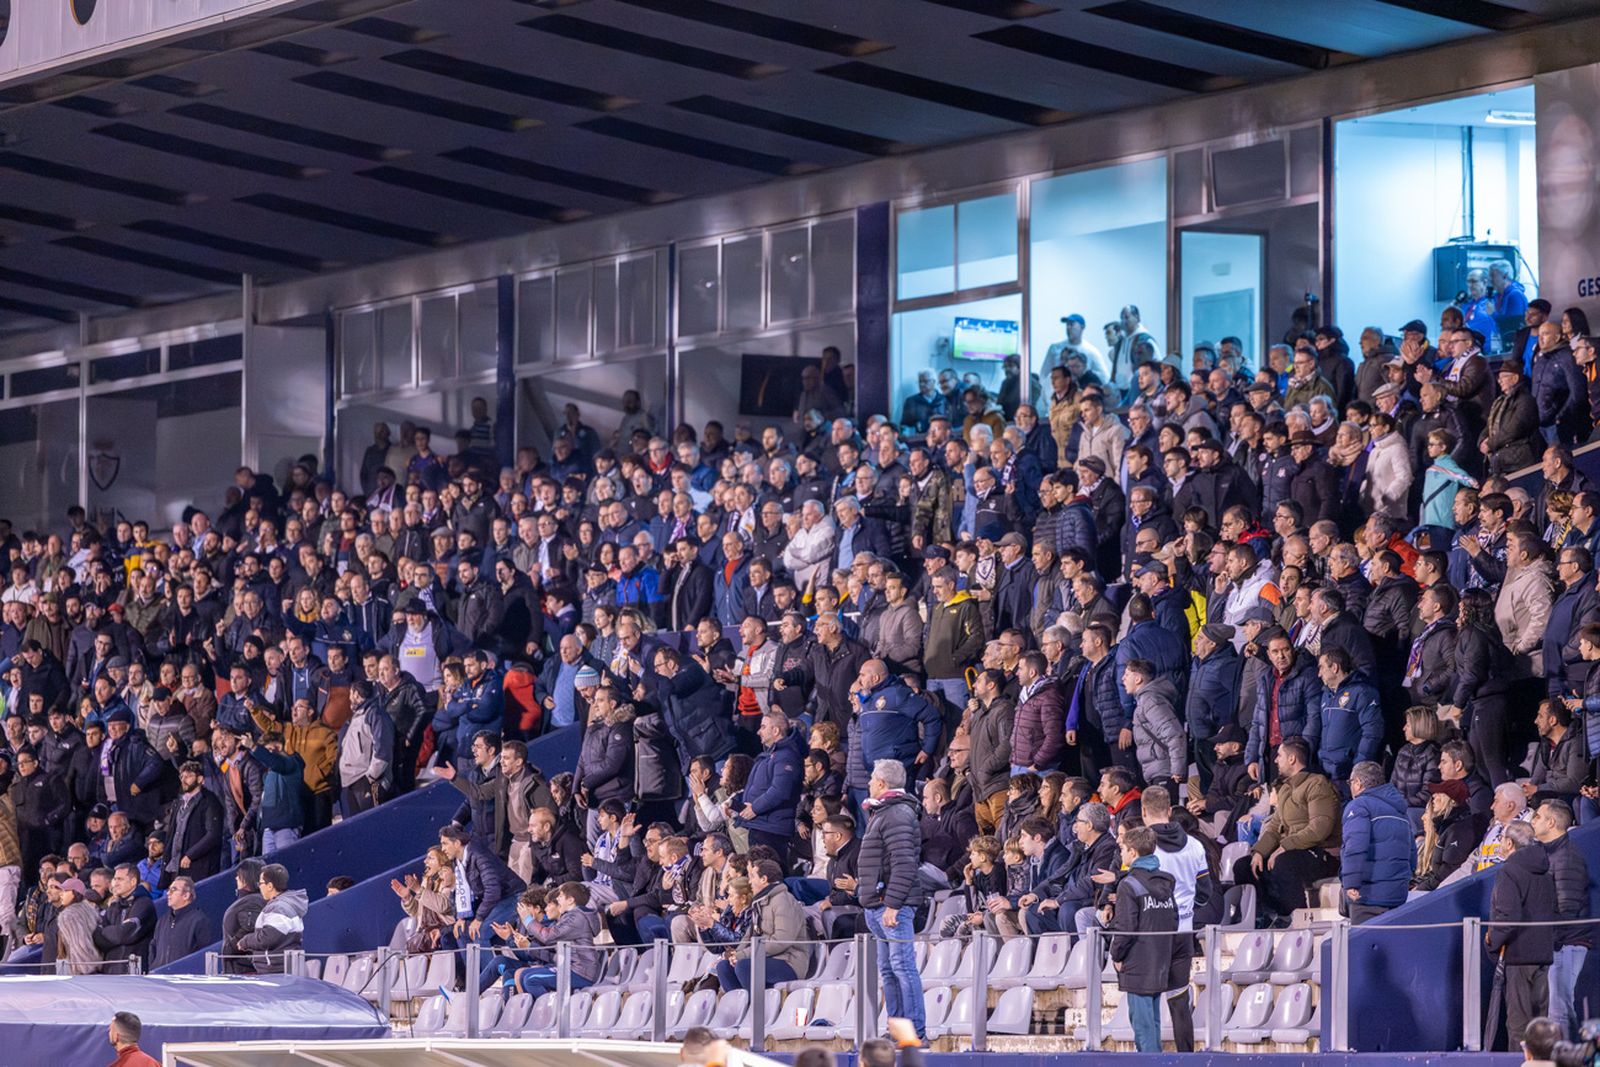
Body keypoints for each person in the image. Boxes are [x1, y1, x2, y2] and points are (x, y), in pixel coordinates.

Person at [1232, 738, 1340, 920]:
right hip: (1294, 850)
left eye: (1279, 756)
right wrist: (1259, 851)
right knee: (1243, 866)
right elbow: (1274, 825)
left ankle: (1299, 920)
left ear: (1292, 759)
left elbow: (1319, 827)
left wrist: (1285, 846)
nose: (1275, 760)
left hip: (1321, 852)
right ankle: (1267, 915)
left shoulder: (1317, 783)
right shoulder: (1285, 788)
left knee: (1284, 863)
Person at [857, 759, 926, 1040]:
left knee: (902, 967)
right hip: (878, 904)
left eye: (873, 778)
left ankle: (915, 1032)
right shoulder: (884, 813)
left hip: (892, 905)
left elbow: (904, 863)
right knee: (888, 970)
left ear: (882, 784)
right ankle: (898, 1030)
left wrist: (893, 903)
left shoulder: (896, 813)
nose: (869, 783)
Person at [1109, 824, 1180, 1053]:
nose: (1120, 854)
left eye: (1122, 849)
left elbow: (1126, 926)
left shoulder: (1128, 884)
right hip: (1161, 958)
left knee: (1142, 1024)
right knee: (1153, 1022)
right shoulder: (1165, 882)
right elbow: (1174, 919)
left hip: (1138, 961)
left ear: (1133, 852)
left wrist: (1116, 955)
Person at [1487, 821, 1557, 1047]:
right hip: (1543, 955)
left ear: (1509, 842)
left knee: (1518, 1026)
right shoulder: (1546, 871)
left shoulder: (1509, 870)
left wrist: (1492, 941)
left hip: (1518, 956)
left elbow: (1508, 916)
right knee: (1539, 1026)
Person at [1531, 800, 1590, 1039]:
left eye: (1537, 816)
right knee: (1557, 1009)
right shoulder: (1549, 854)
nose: (1532, 821)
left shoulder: (1566, 856)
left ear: (1551, 822)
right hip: (1556, 944)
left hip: (1567, 944)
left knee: (1560, 1010)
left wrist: (1549, 939)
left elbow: (1567, 908)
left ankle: (1566, 1059)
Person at [1339, 762, 1414, 924]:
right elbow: (1411, 851)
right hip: (1397, 896)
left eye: (1350, 782)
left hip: (1368, 897)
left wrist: (1351, 883)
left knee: (1364, 946)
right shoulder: (1399, 809)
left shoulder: (1359, 805)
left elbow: (1355, 846)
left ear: (1358, 782)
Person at [148, 875, 213, 970]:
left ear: (186, 895)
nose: (168, 893)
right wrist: (153, 967)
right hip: (160, 977)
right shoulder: (162, 920)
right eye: (168, 890)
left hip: (183, 979)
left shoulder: (199, 920)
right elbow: (153, 948)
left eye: (173, 890)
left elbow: (203, 953)